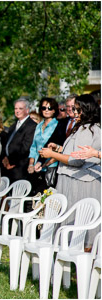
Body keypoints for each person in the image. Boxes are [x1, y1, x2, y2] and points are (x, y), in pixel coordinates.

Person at [40, 94, 101, 246]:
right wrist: (60, 148)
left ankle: (80, 261)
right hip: (74, 179)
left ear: (86, 110)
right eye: (74, 109)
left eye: (77, 110)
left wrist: (52, 154)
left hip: (80, 183)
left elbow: (76, 161)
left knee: (79, 228)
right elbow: (75, 152)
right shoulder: (83, 127)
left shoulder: (88, 129)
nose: (74, 113)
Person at [0, 98, 37, 189]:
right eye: (16, 108)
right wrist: (5, 158)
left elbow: (25, 148)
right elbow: (7, 144)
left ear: (27, 110)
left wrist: (11, 161)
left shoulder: (31, 126)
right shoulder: (13, 125)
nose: (17, 111)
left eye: (20, 109)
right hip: (8, 167)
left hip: (20, 168)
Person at [27, 98, 59, 192]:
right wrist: (31, 164)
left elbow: (57, 147)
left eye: (49, 108)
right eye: (44, 108)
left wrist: (45, 164)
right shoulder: (39, 125)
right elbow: (33, 147)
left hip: (51, 166)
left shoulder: (57, 125)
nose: (46, 110)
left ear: (54, 110)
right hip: (37, 167)